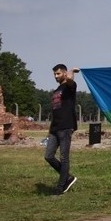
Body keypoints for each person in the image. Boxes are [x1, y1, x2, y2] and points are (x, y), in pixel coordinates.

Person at [44, 64, 79, 195]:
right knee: (48, 156)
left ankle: (61, 186)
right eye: (54, 74)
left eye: (58, 73)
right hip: (55, 128)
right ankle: (68, 177)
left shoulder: (70, 88)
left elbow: (70, 81)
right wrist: (49, 130)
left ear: (64, 73)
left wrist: (71, 72)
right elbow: (55, 111)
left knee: (64, 157)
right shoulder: (56, 91)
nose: (55, 76)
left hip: (66, 126)